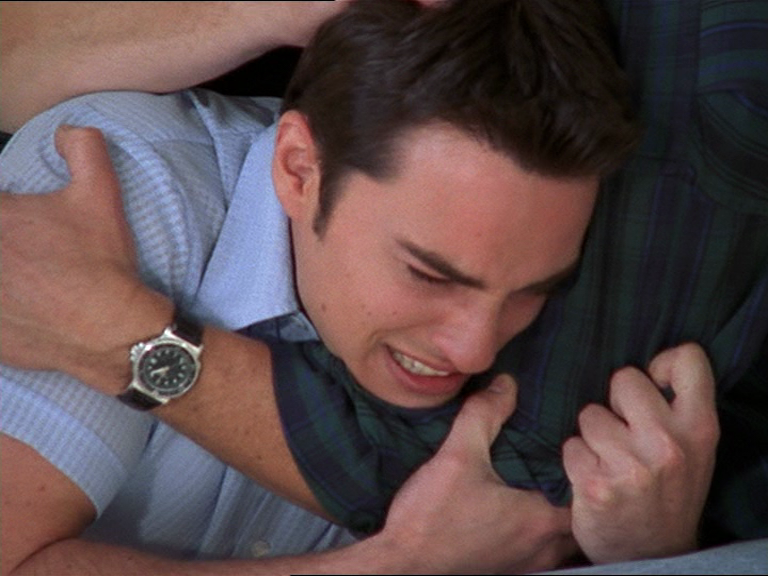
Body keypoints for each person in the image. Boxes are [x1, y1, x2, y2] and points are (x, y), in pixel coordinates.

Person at [4, 0, 767, 572]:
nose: (475, 347)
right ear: (299, 170)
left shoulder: (560, 345)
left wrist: (652, 557)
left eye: (533, 290)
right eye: (429, 274)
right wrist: (394, 565)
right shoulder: (116, 187)